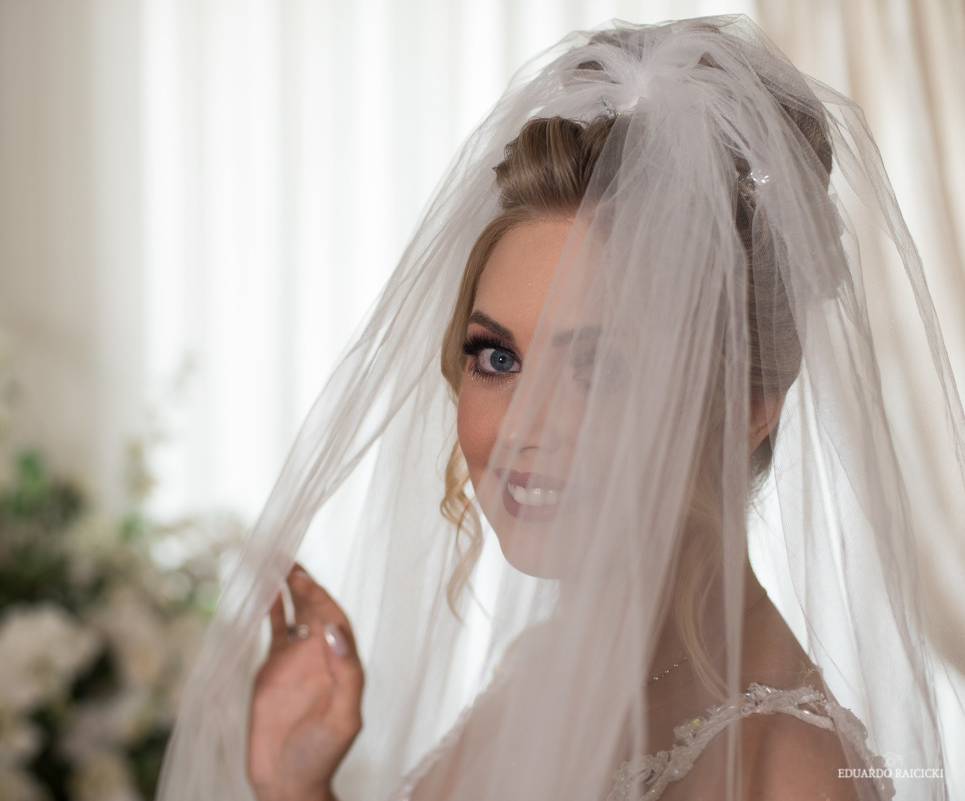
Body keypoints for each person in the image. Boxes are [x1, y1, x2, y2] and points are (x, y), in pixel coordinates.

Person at [157, 16, 965, 801]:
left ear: (751, 407)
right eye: (497, 358)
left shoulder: (783, 774)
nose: (521, 429)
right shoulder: (545, 670)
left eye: (599, 367)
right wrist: (296, 786)